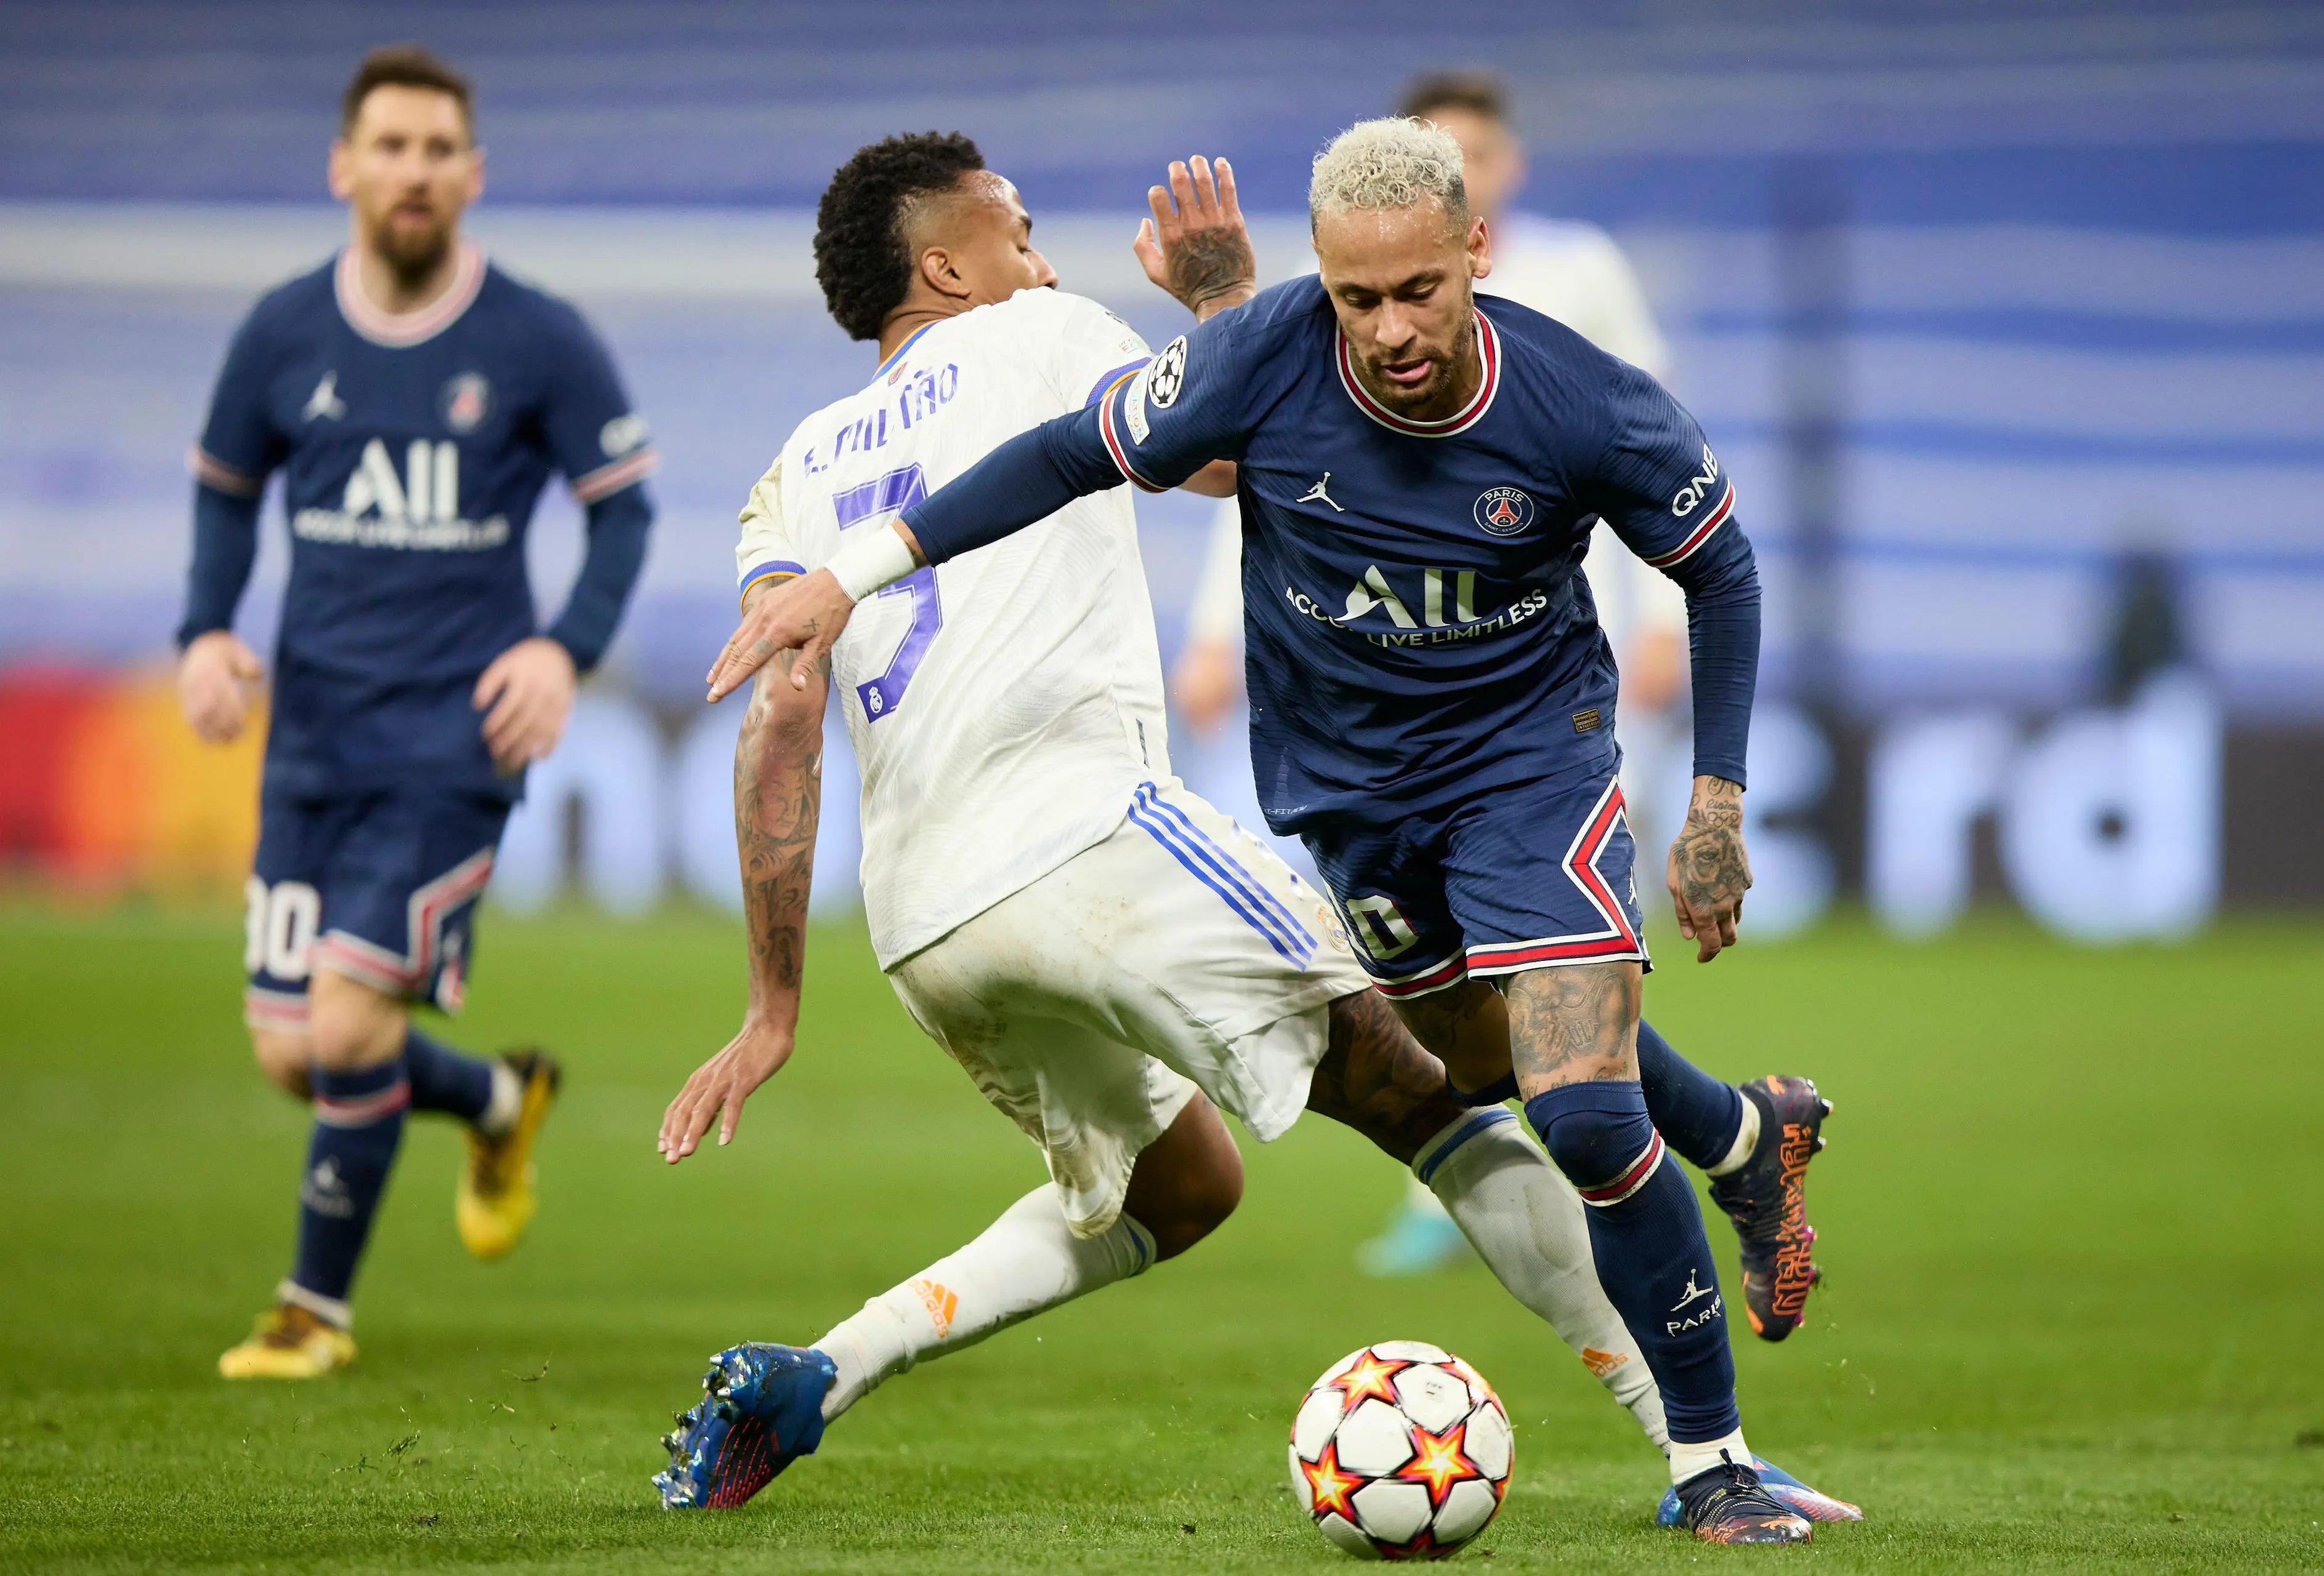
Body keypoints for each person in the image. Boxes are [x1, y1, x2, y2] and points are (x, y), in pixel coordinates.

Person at [654, 134, 1853, 1543]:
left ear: (1472, 257)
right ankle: (1720, 1286)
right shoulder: (1052, 332)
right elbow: (1234, 443)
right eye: (1019, 234)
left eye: (1415, 291)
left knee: (1229, 1174)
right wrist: (1222, 302)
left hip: (931, 916)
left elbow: (782, 711)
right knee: (1442, 1084)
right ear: (949, 267)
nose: (1044, 259)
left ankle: (827, 1367)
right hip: (1144, 834)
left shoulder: (792, 471)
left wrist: (773, 1001)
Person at [1170, 73, 1706, 1280]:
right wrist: (1212, 632)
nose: (1391, 318)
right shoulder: (1338, 301)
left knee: (1558, 952)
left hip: (1546, 672)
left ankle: (1544, 1170)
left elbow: (1653, 439)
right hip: (1380, 691)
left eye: (1478, 155)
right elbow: (1266, 474)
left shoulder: (1577, 275)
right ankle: (1703, 1131)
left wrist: (1664, 610)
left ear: (1496, 182)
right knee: (1464, 996)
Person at [177, 45, 656, 1379]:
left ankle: (311, 1313)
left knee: (346, 1027)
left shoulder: (537, 336)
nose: (414, 170)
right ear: (344, 165)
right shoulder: (281, 331)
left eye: (439, 149)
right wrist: (205, 628)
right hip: (311, 742)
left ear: (472, 174)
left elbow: (624, 511)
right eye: (390, 145)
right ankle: (500, 1098)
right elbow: (225, 489)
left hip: (455, 742)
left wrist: (561, 651)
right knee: (296, 1052)